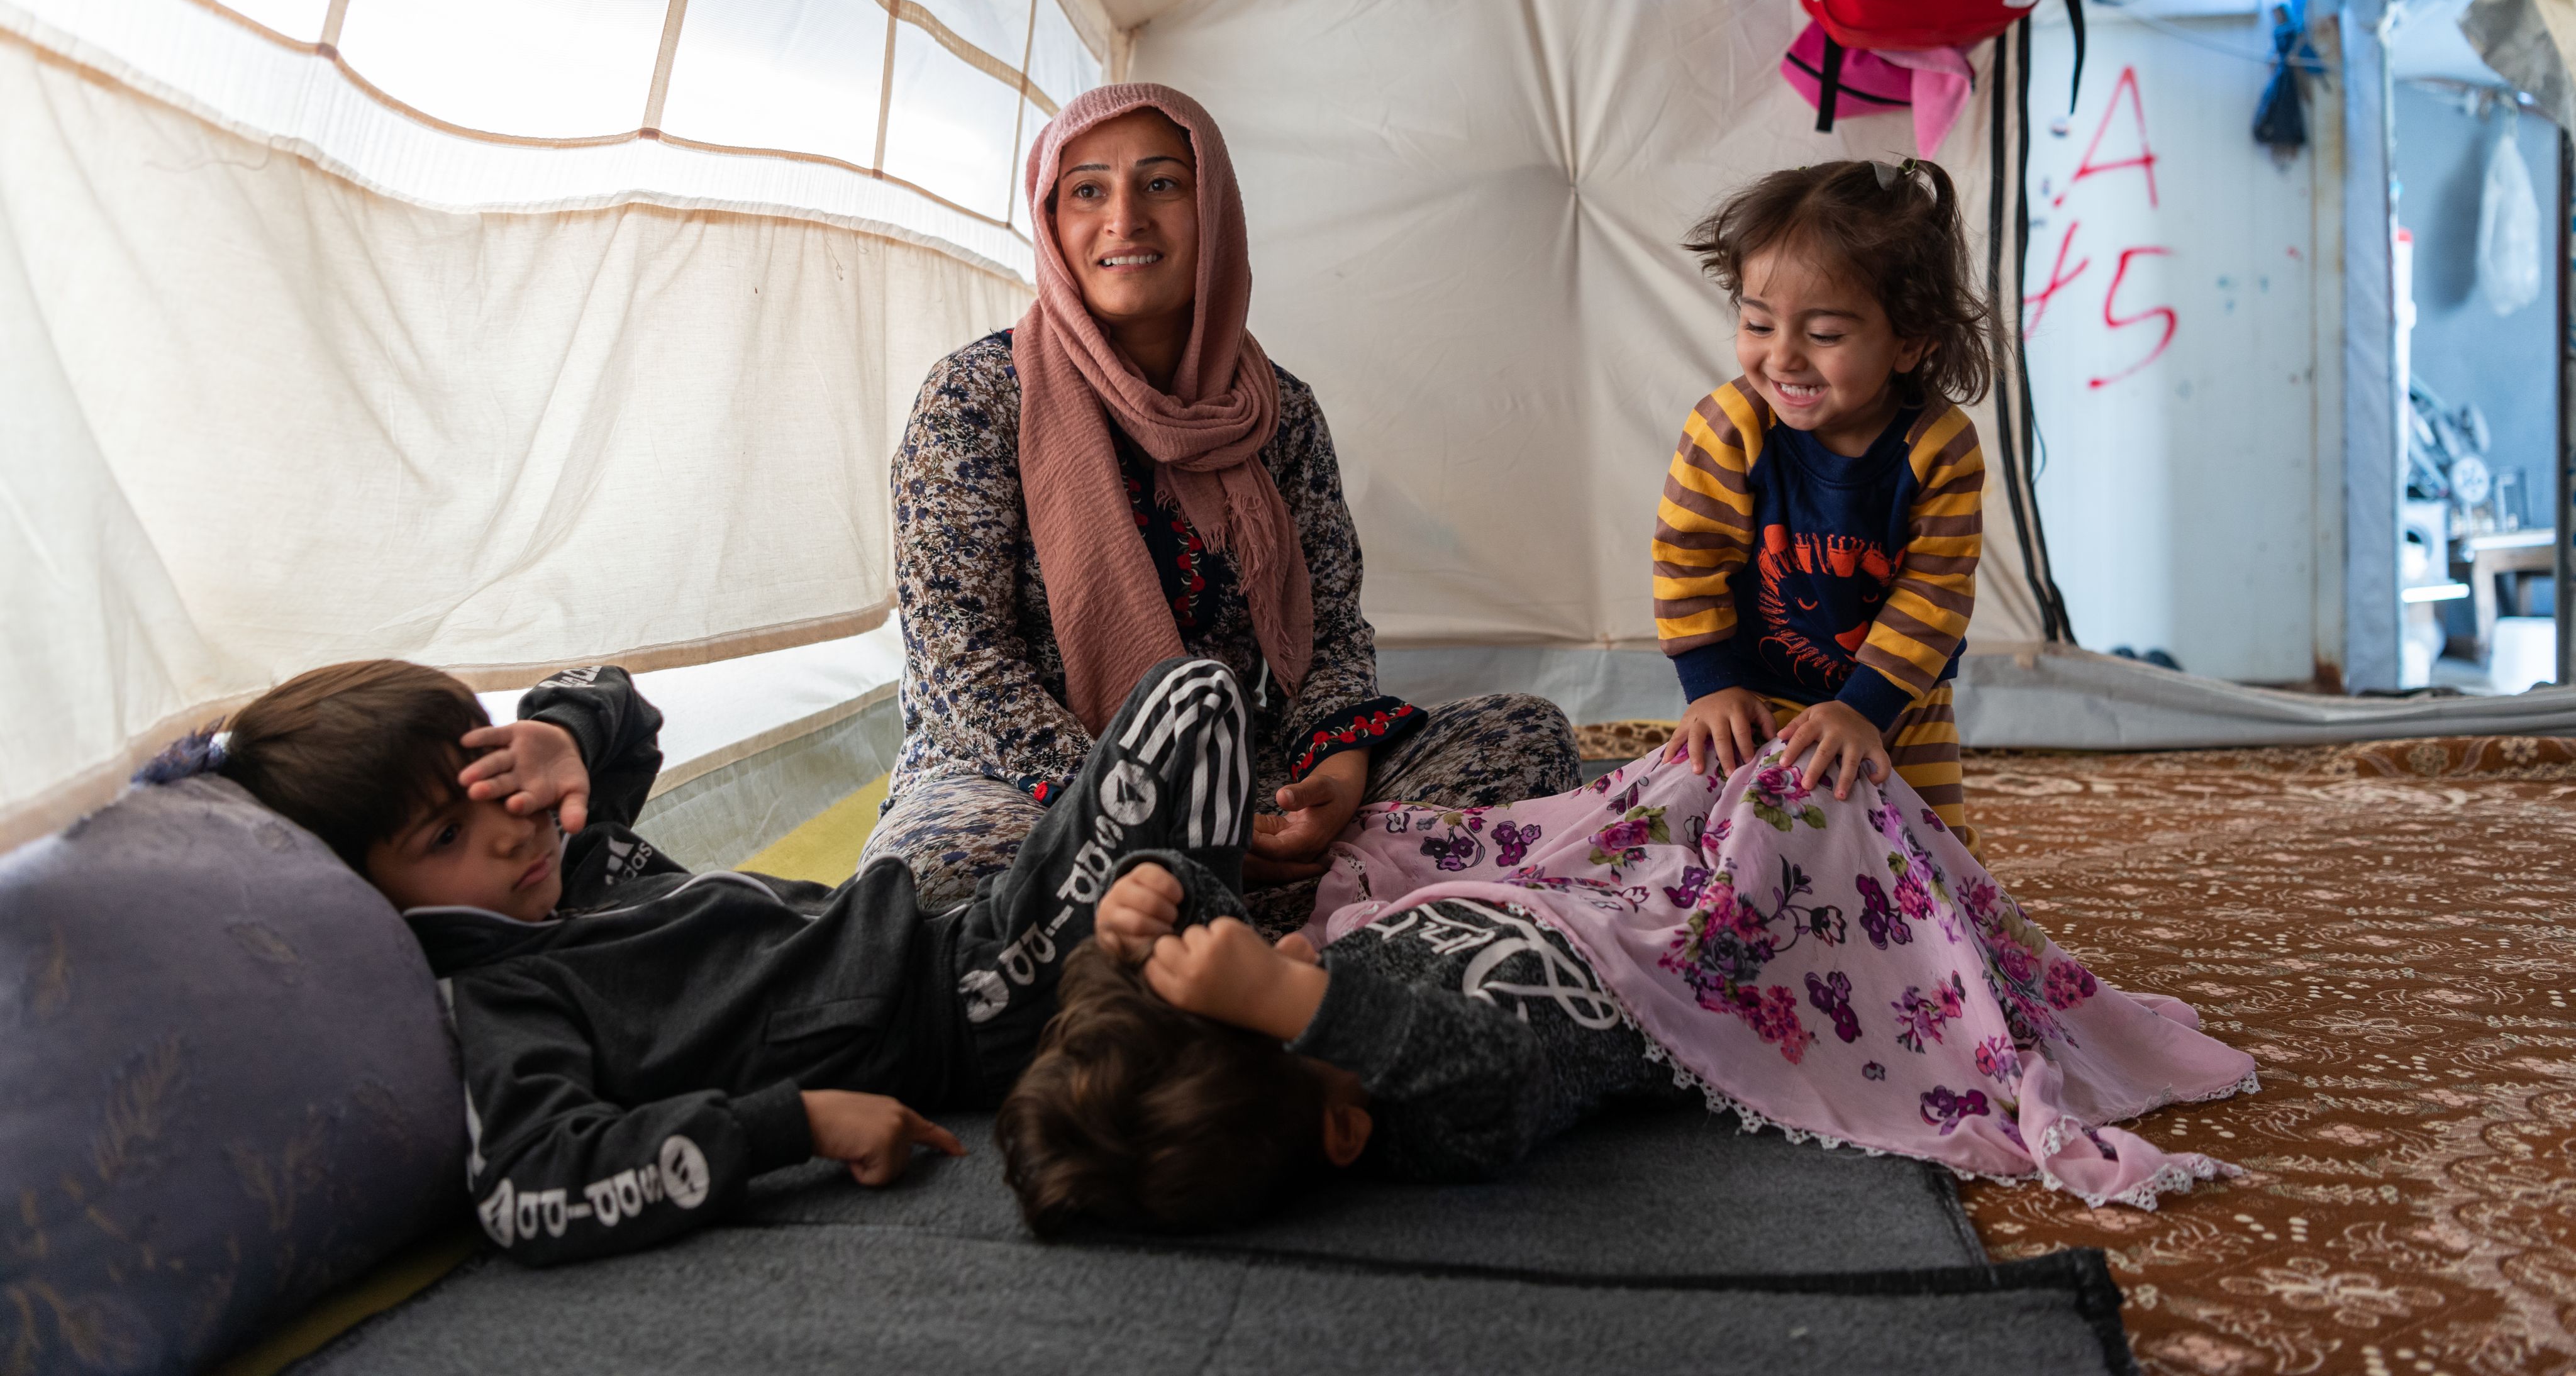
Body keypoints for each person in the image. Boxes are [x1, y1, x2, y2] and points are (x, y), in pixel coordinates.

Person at [163, 652, 1256, 1265]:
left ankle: (1184, 980)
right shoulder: (504, 989)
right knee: (1191, 701)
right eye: (444, 836)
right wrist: (797, 1118)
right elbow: (532, 1185)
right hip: (958, 997)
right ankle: (1205, 994)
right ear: (370, 893)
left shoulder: (563, 861)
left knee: (1183, 742)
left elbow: (624, 702)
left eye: (490, 785)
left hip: (944, 934)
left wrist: (562, 737)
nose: (510, 826)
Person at [994, 733, 2260, 1233]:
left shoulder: (1307, 1033)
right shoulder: (1440, 1115)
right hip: (1667, 958)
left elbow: (1231, 961)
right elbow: (1484, 1067)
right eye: (1268, 989)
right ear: (1339, 1118)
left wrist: (1158, 895)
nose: (1277, 952)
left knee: (1658, 773)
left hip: (1536, 882)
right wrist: (1293, 1000)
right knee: (1801, 797)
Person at [873, 82, 1577, 924]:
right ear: (1052, 221)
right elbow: (965, 669)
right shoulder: (978, 398)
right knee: (934, 881)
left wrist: (1337, 760)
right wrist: (1154, 813)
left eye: (1162, 184)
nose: (1124, 218)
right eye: (1088, 189)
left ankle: (1211, 933)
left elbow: (1331, 631)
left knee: (1524, 740)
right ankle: (1302, 929)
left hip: (1236, 773)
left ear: (1216, 212)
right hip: (1022, 786)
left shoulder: (1277, 412)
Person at [1651, 158, 1992, 846]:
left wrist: (1865, 709)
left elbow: (1935, 592)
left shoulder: (1941, 447)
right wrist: (1711, 685)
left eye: (1825, 335)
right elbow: (1688, 560)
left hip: (1899, 701)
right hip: (1755, 693)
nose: (1782, 357)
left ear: (1909, 342)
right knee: (1741, 843)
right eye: (1757, 323)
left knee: (1932, 851)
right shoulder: (1727, 428)